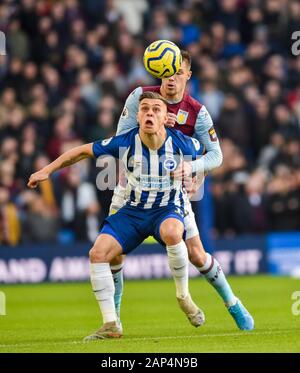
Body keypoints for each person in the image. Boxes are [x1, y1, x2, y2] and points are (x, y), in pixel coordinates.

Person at [28, 92, 207, 340]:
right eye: (144, 109)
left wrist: (197, 178)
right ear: (137, 115)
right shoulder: (125, 142)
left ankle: (183, 296)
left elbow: (207, 156)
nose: (150, 114)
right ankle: (111, 324)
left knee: (172, 232)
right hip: (132, 212)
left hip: (166, 209)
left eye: (156, 110)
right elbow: (80, 152)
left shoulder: (182, 143)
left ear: (166, 117)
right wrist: (47, 170)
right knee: (97, 254)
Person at [109, 50, 254, 331]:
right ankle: (114, 320)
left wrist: (193, 168)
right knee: (114, 254)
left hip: (171, 193)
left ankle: (233, 303)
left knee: (197, 255)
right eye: (167, 71)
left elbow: (217, 156)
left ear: (188, 75)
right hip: (132, 189)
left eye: (178, 72)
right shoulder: (141, 96)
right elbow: (119, 141)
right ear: (159, 70)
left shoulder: (197, 112)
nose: (171, 77)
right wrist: (156, 126)